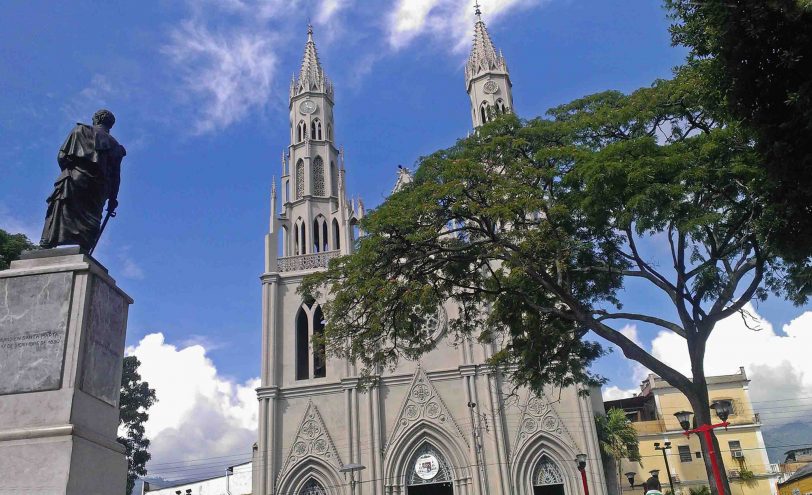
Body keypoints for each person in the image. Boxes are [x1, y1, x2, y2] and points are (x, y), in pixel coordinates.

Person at [40, 109, 126, 251]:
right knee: (92, 217)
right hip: (99, 189)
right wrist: (113, 199)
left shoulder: (80, 130)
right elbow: (116, 176)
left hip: (76, 177)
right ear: (110, 125)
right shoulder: (116, 146)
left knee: (64, 208)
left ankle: (47, 242)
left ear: (96, 119)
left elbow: (62, 156)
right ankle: (84, 247)